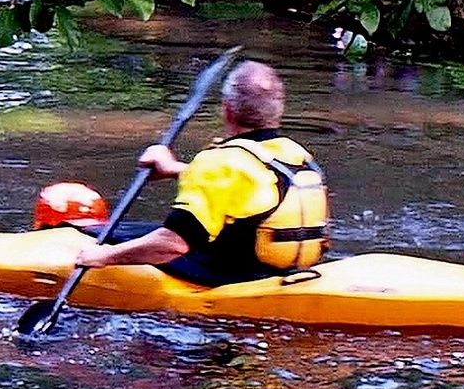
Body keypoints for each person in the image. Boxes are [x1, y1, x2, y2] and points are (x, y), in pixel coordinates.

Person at [74, 60, 330, 286]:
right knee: (129, 231)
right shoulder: (297, 155)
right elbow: (255, 191)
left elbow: (171, 245)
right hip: (289, 269)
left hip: (231, 275)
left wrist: (103, 257)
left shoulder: (219, 162)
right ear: (277, 112)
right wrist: (176, 169)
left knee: (113, 235)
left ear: (227, 109)